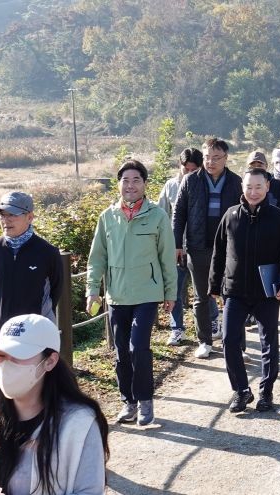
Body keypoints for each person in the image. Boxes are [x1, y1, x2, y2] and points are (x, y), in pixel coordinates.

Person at [0, 314, 109, 495]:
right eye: (0, 355)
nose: (6, 364)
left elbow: (89, 490)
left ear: (50, 361)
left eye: (18, 355)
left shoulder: (79, 423)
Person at [86, 159, 177, 426]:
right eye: (125, 180)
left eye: (136, 180)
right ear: (118, 184)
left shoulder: (157, 216)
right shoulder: (108, 217)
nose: (130, 185)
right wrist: (93, 290)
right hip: (117, 295)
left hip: (147, 294)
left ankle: (146, 401)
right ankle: (128, 402)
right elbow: (97, 258)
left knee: (139, 348)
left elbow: (166, 258)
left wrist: (170, 293)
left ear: (145, 184)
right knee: (121, 352)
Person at [208, 168, 280, 413]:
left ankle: (266, 391)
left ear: (267, 186)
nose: (253, 192)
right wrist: (215, 286)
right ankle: (241, 390)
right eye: (249, 187)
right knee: (229, 339)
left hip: (266, 292)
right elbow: (219, 252)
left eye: (258, 187)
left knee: (269, 341)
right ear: (242, 188)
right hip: (234, 291)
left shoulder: (279, 218)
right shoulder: (231, 215)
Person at [173, 138, 242, 359]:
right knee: (202, 296)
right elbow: (179, 214)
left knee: (232, 295)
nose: (210, 162)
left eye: (216, 158)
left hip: (228, 248)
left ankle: (236, 343)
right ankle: (205, 340)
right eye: (207, 157)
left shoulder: (235, 182)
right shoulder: (190, 180)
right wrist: (177, 245)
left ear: (226, 158)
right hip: (197, 245)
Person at [0, 192, 63, 336]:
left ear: (29, 217)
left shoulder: (47, 252)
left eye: (12, 215)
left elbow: (55, 292)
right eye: (2, 214)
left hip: (37, 333)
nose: (6, 220)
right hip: (3, 333)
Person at [157, 147, 202, 346]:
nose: (189, 172)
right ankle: (177, 329)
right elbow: (161, 216)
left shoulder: (205, 185)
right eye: (186, 168)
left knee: (205, 290)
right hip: (175, 248)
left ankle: (212, 322)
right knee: (173, 290)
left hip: (199, 248)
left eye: (194, 169)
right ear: (180, 165)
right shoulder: (170, 186)